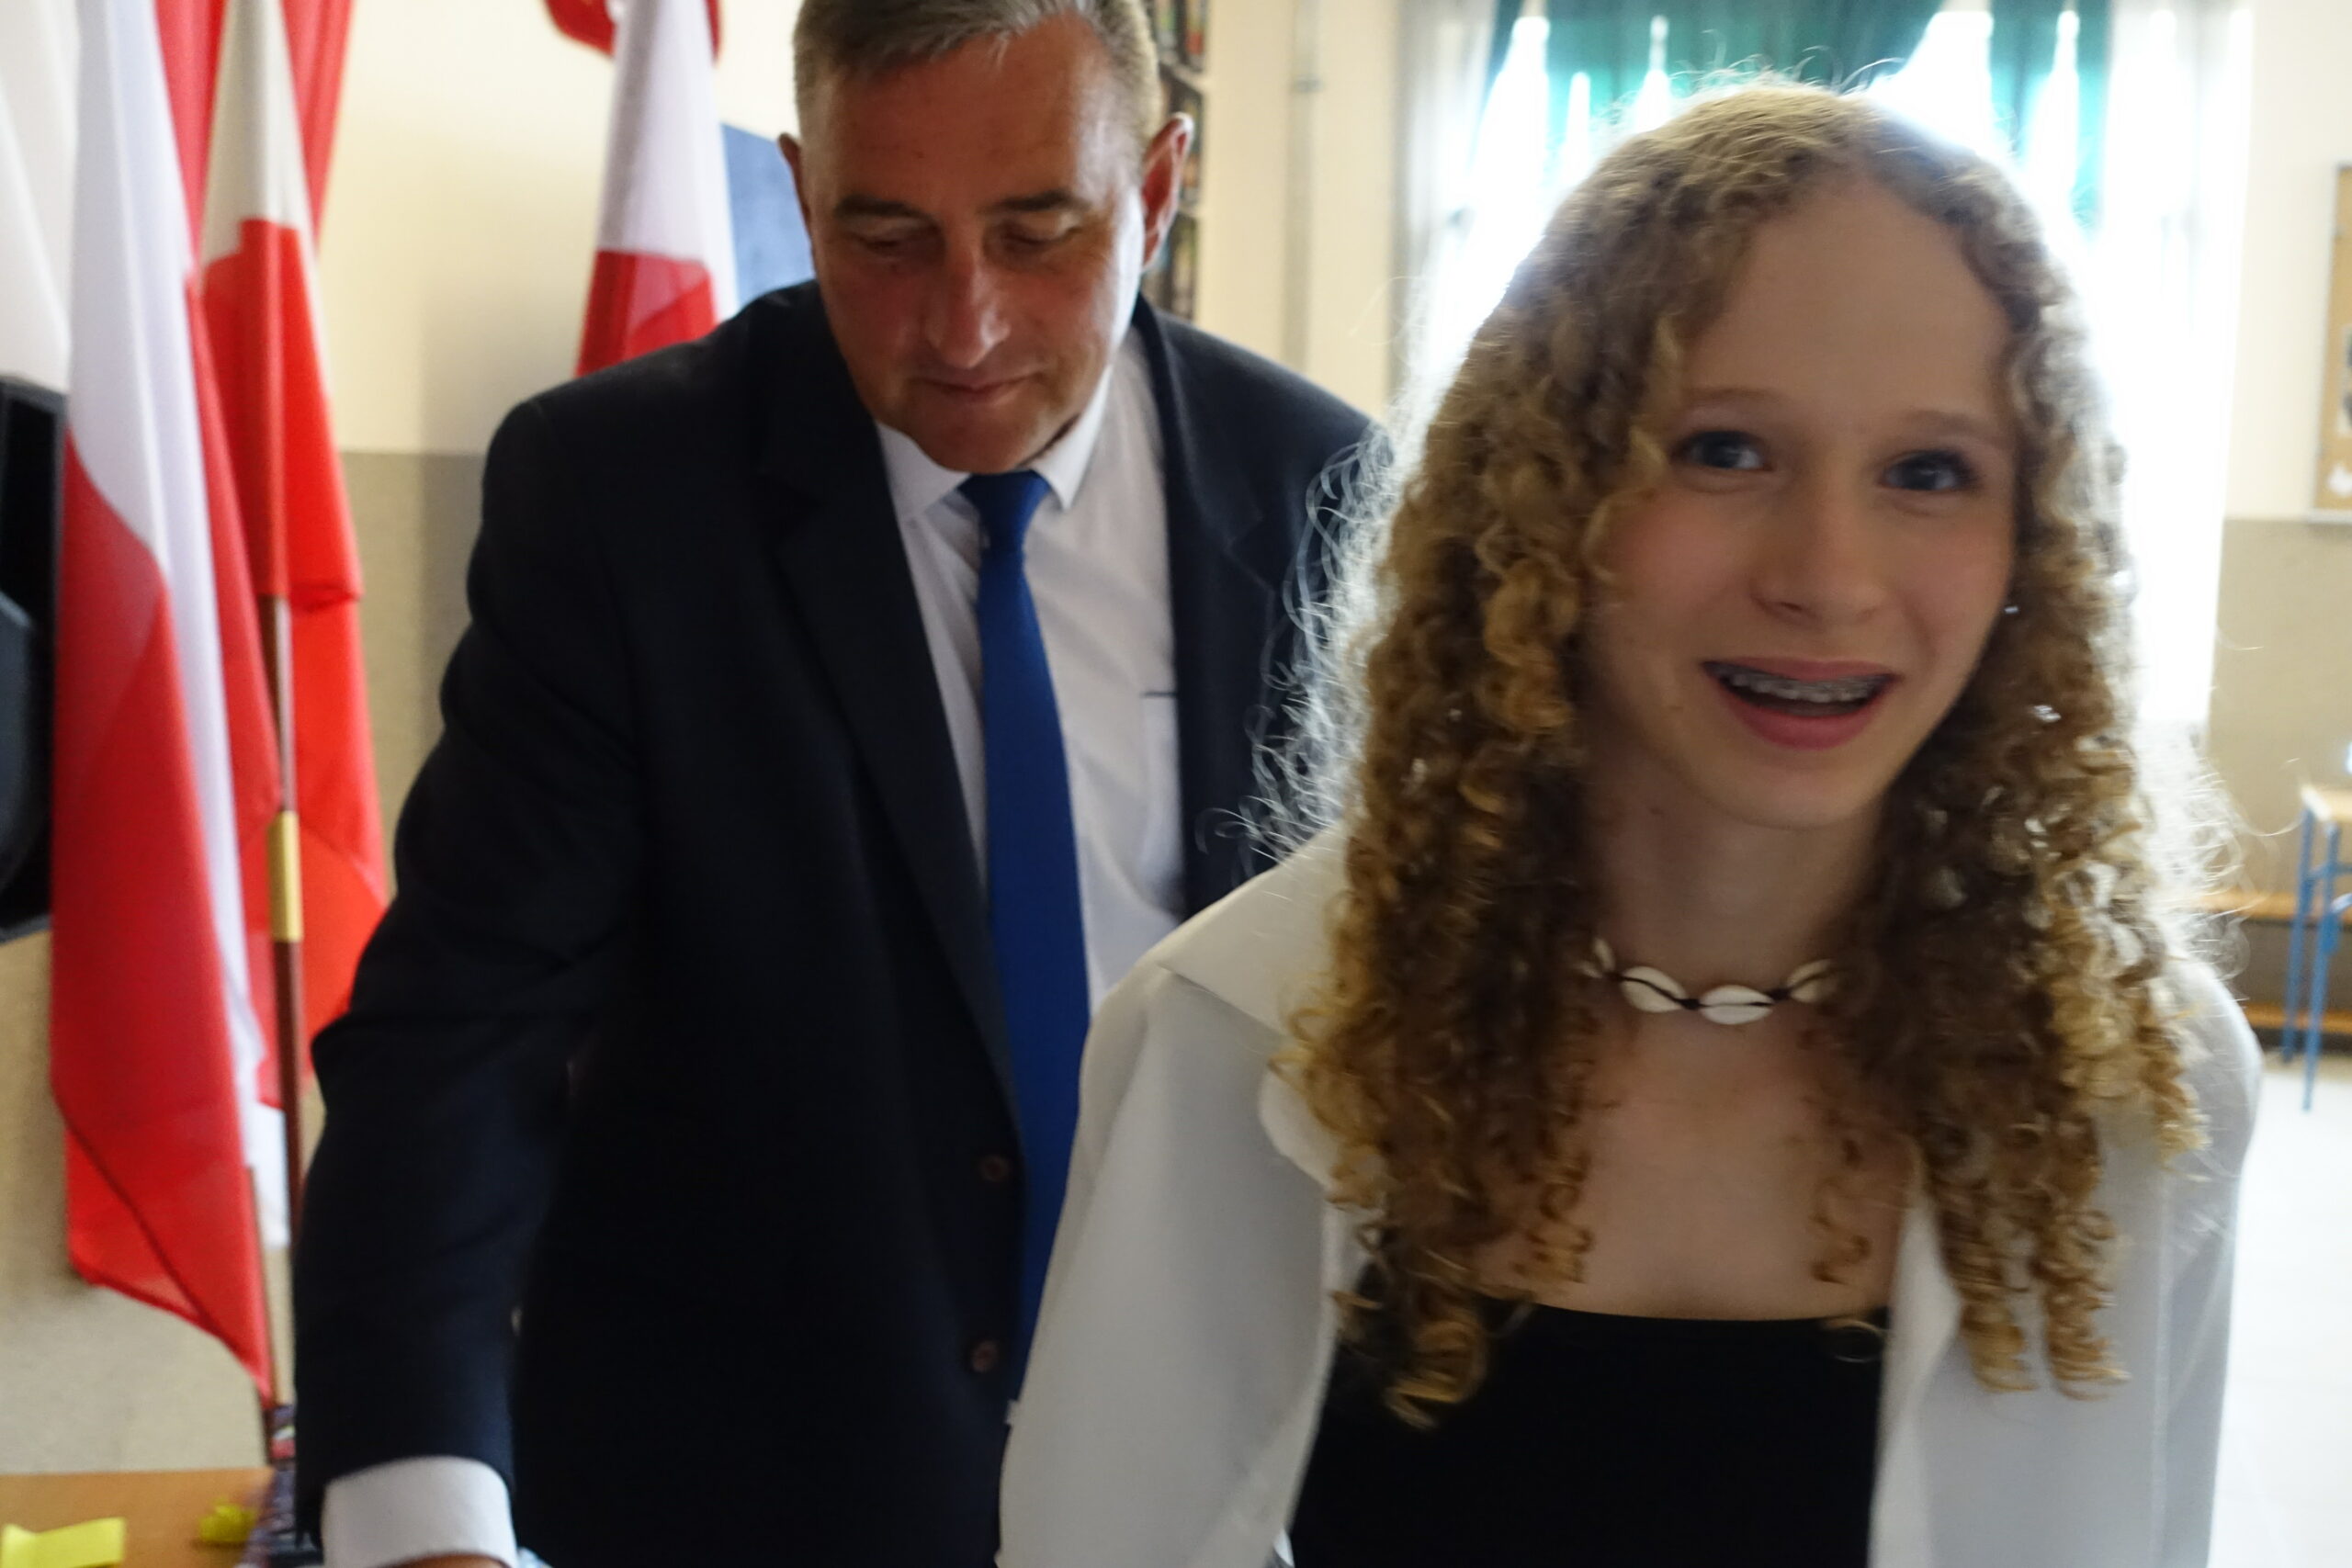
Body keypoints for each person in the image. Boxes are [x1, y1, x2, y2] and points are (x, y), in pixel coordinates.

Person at [1000, 85, 2261, 1568]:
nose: (1828, 577)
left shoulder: (2136, 1086)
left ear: (2032, 544)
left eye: (1930, 473)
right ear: (1546, 501)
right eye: (1724, 450)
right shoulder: (1236, 1037)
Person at [291, 4, 1373, 1566]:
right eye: (886, 239)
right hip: (744, 1491)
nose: (964, 327)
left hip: (1213, 1481)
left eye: (1038, 234)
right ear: (803, 194)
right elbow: (460, 1037)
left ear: (1155, 185)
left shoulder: (1324, 492)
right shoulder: (622, 499)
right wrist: (417, 1519)